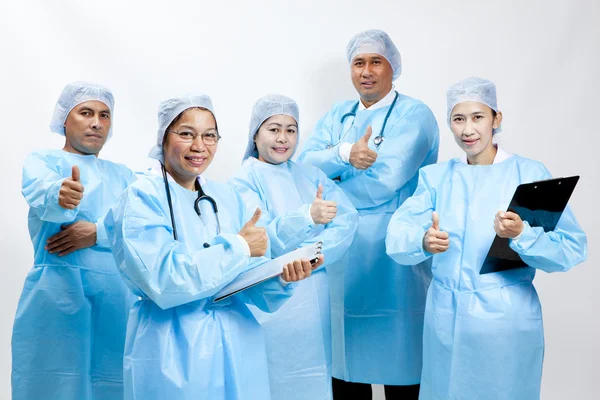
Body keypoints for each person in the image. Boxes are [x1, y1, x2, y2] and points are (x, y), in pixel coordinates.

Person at [103, 94, 324, 400]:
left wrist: (281, 278)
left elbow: (245, 283)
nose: (199, 146)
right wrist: (239, 247)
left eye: (209, 135)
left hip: (238, 343)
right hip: (173, 347)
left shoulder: (227, 198)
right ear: (163, 138)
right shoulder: (141, 198)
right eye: (186, 134)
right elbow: (165, 282)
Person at [385, 77, 588, 400]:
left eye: (478, 117)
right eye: (458, 119)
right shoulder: (436, 178)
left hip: (505, 321)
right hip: (446, 317)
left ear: (497, 119)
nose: (468, 129)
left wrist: (523, 234)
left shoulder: (529, 175)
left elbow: (571, 249)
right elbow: (396, 235)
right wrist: (423, 241)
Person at [297, 29, 439, 398]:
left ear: (394, 66)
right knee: (345, 367)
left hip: (391, 252)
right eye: (359, 62)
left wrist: (331, 189)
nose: (367, 71)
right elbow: (304, 167)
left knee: (400, 366)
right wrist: (343, 153)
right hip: (341, 251)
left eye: (376, 61)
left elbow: (384, 182)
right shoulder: (337, 115)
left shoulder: (414, 115)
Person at [11, 82, 138, 400]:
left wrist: (98, 232)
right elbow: (44, 191)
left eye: (104, 115)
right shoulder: (45, 161)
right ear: (64, 120)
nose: (97, 122)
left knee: (113, 385)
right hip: (59, 296)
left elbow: (145, 228)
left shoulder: (126, 176)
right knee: (55, 384)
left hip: (117, 300)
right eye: (86, 112)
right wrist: (62, 195)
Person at [230, 94, 358, 400]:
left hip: (316, 297)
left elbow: (347, 218)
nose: (283, 138)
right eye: (274, 129)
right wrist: (307, 217)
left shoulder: (310, 175)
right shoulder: (242, 182)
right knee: (274, 377)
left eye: (291, 129)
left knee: (316, 375)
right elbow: (260, 240)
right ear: (255, 133)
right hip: (273, 296)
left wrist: (312, 253)